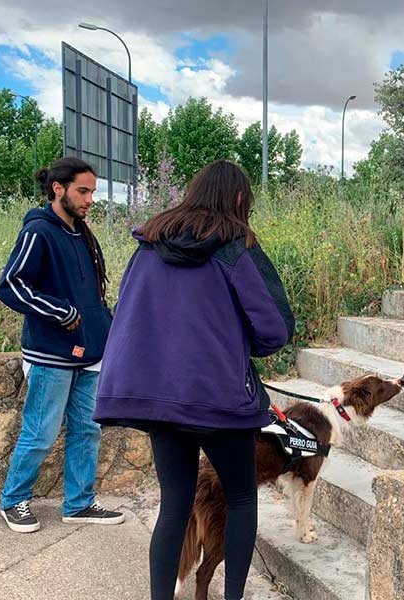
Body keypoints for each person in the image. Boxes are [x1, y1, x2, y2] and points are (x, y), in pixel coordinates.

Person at [93, 160, 295, 600]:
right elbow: (276, 328)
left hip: (158, 400)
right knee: (241, 499)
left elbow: (127, 316)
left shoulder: (147, 246)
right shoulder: (236, 248)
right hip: (219, 399)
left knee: (174, 505)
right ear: (240, 199)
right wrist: (237, 348)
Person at [0, 156, 124, 533]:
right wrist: (61, 312)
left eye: (92, 192)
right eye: (82, 191)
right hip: (51, 352)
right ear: (59, 188)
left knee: (87, 430)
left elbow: (93, 292)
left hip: (90, 353)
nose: (89, 199)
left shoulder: (82, 233)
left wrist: (107, 328)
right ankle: (13, 500)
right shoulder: (39, 230)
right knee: (41, 432)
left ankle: (79, 504)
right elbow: (11, 285)